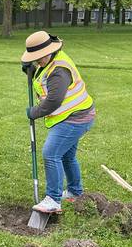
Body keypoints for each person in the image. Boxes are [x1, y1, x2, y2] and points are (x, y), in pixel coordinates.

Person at [21, 30, 95, 213]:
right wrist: (30, 71)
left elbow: (54, 100)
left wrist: (34, 112)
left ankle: (53, 200)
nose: (37, 61)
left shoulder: (59, 70)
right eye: (34, 59)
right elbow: (44, 79)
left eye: (39, 58)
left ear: (49, 51)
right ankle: (74, 192)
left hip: (75, 118)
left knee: (51, 153)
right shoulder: (50, 61)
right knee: (67, 156)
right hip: (76, 114)